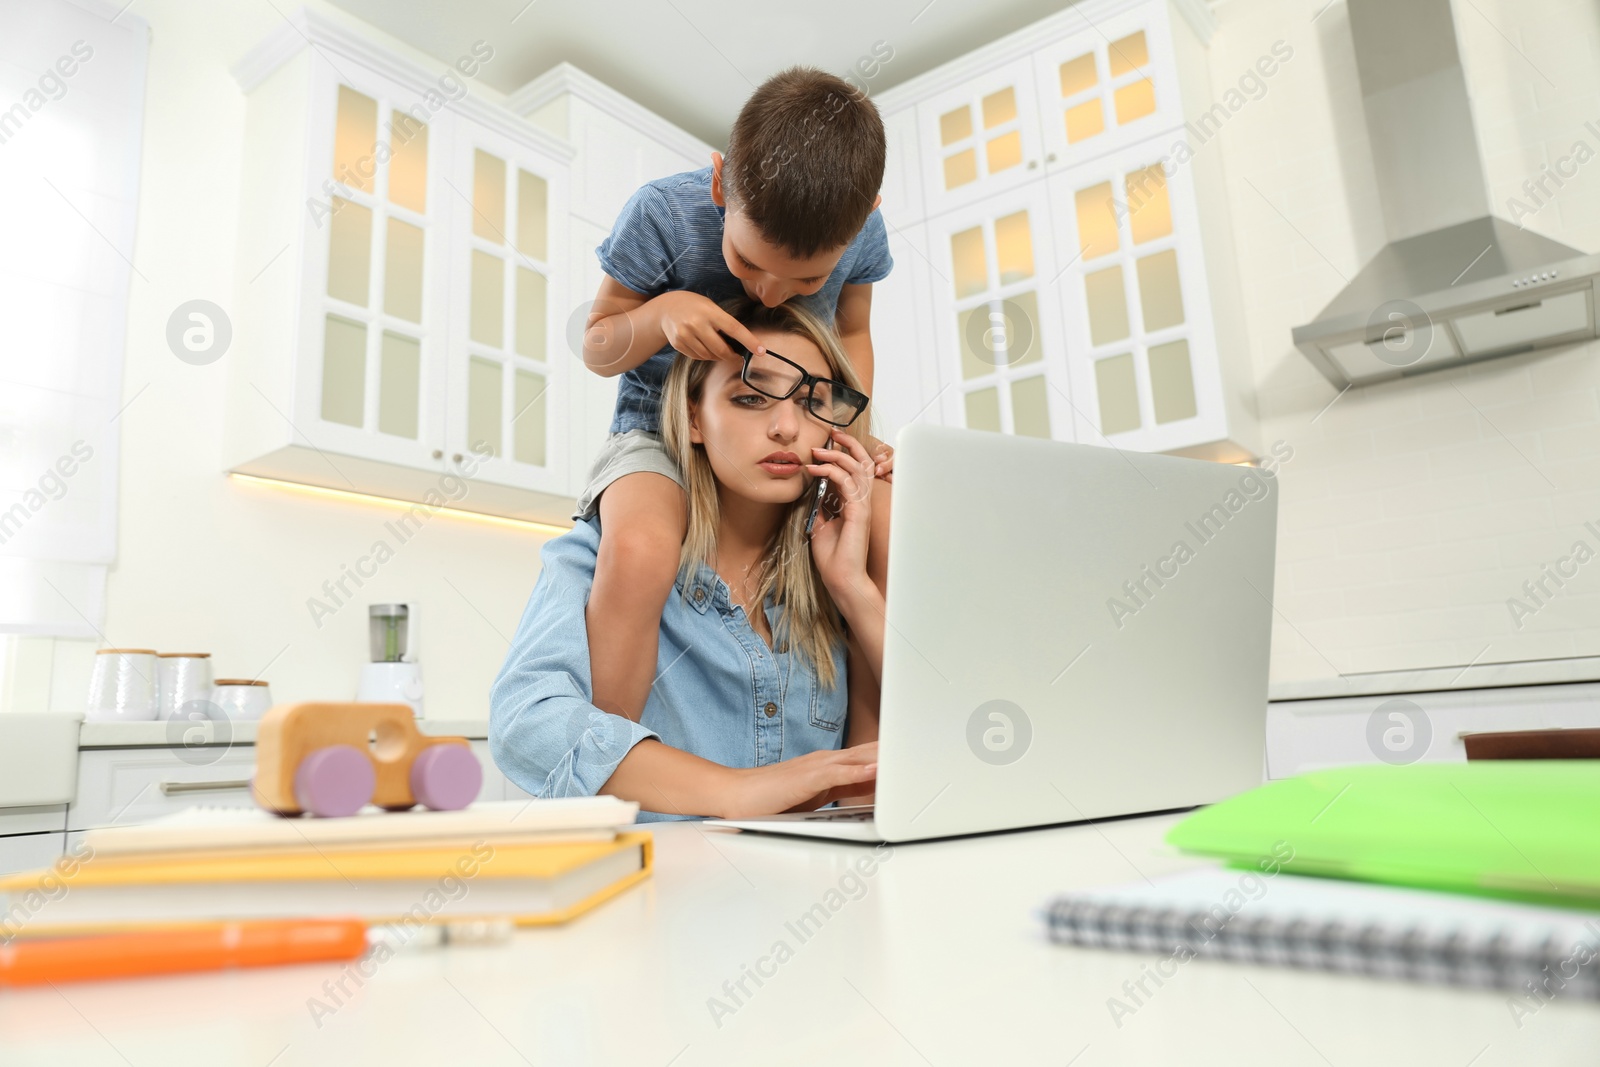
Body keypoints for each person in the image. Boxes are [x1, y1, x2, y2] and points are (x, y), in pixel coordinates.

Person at [577, 66, 897, 735]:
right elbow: (598, 345)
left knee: (886, 519)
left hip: (802, 415)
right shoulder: (662, 214)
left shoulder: (864, 235)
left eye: (807, 278)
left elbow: (854, 331)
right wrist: (661, 314)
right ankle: (616, 763)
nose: (772, 294)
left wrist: (854, 431)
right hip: (654, 430)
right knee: (639, 545)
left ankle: (865, 777)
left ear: (864, 219)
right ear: (720, 182)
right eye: (748, 263)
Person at [491, 298, 884, 821]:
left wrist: (854, 590)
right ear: (694, 417)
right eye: (750, 398)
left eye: (814, 403)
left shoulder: (838, 568)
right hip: (660, 889)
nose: (787, 427)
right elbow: (526, 723)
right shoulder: (607, 550)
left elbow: (912, 755)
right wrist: (737, 791)